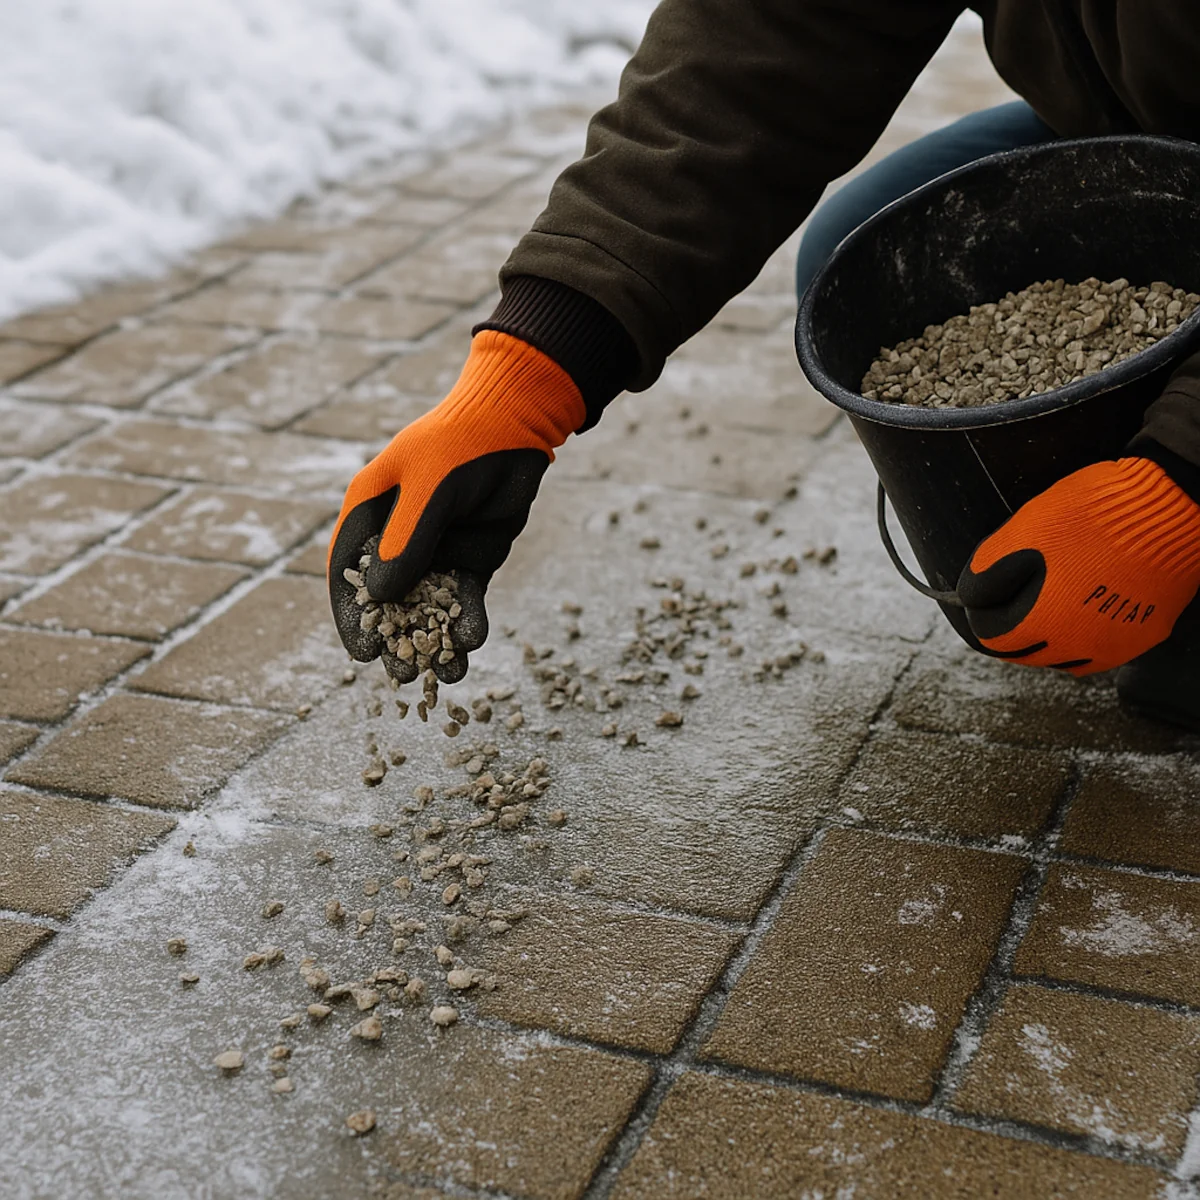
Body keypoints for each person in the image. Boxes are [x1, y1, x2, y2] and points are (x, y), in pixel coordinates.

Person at [328, 0, 1200, 732]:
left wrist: (1173, 489)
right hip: (1140, 129)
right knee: (860, 254)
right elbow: (764, 44)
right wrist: (526, 378)